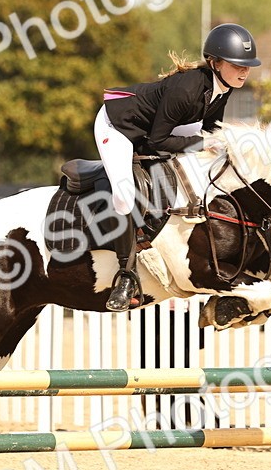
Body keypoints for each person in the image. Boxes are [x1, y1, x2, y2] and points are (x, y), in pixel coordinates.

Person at [95, 23, 261, 311]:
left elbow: (210, 132)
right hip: (118, 125)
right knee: (123, 197)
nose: (244, 71)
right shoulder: (187, 90)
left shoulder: (222, 88)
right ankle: (125, 276)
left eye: (247, 65)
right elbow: (158, 141)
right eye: (237, 65)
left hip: (150, 130)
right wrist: (202, 145)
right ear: (216, 62)